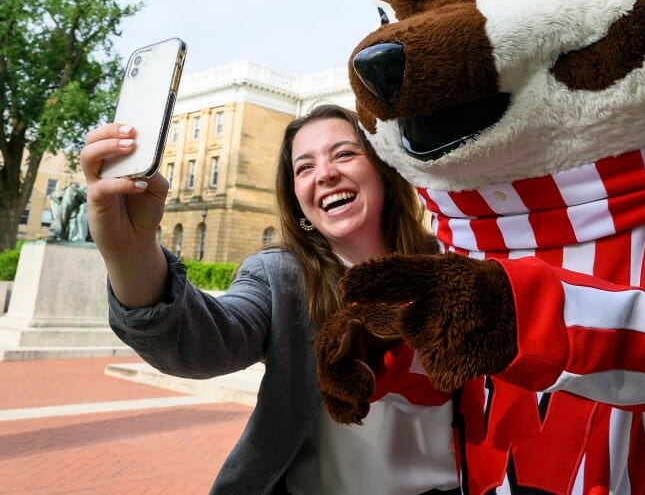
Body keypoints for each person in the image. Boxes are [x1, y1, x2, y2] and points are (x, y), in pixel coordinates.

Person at [81, 104, 460, 495]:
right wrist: (131, 251)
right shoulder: (282, 276)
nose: (326, 174)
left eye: (344, 154)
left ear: (383, 168)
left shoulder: (452, 265)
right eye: (304, 167)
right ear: (298, 199)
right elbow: (201, 345)